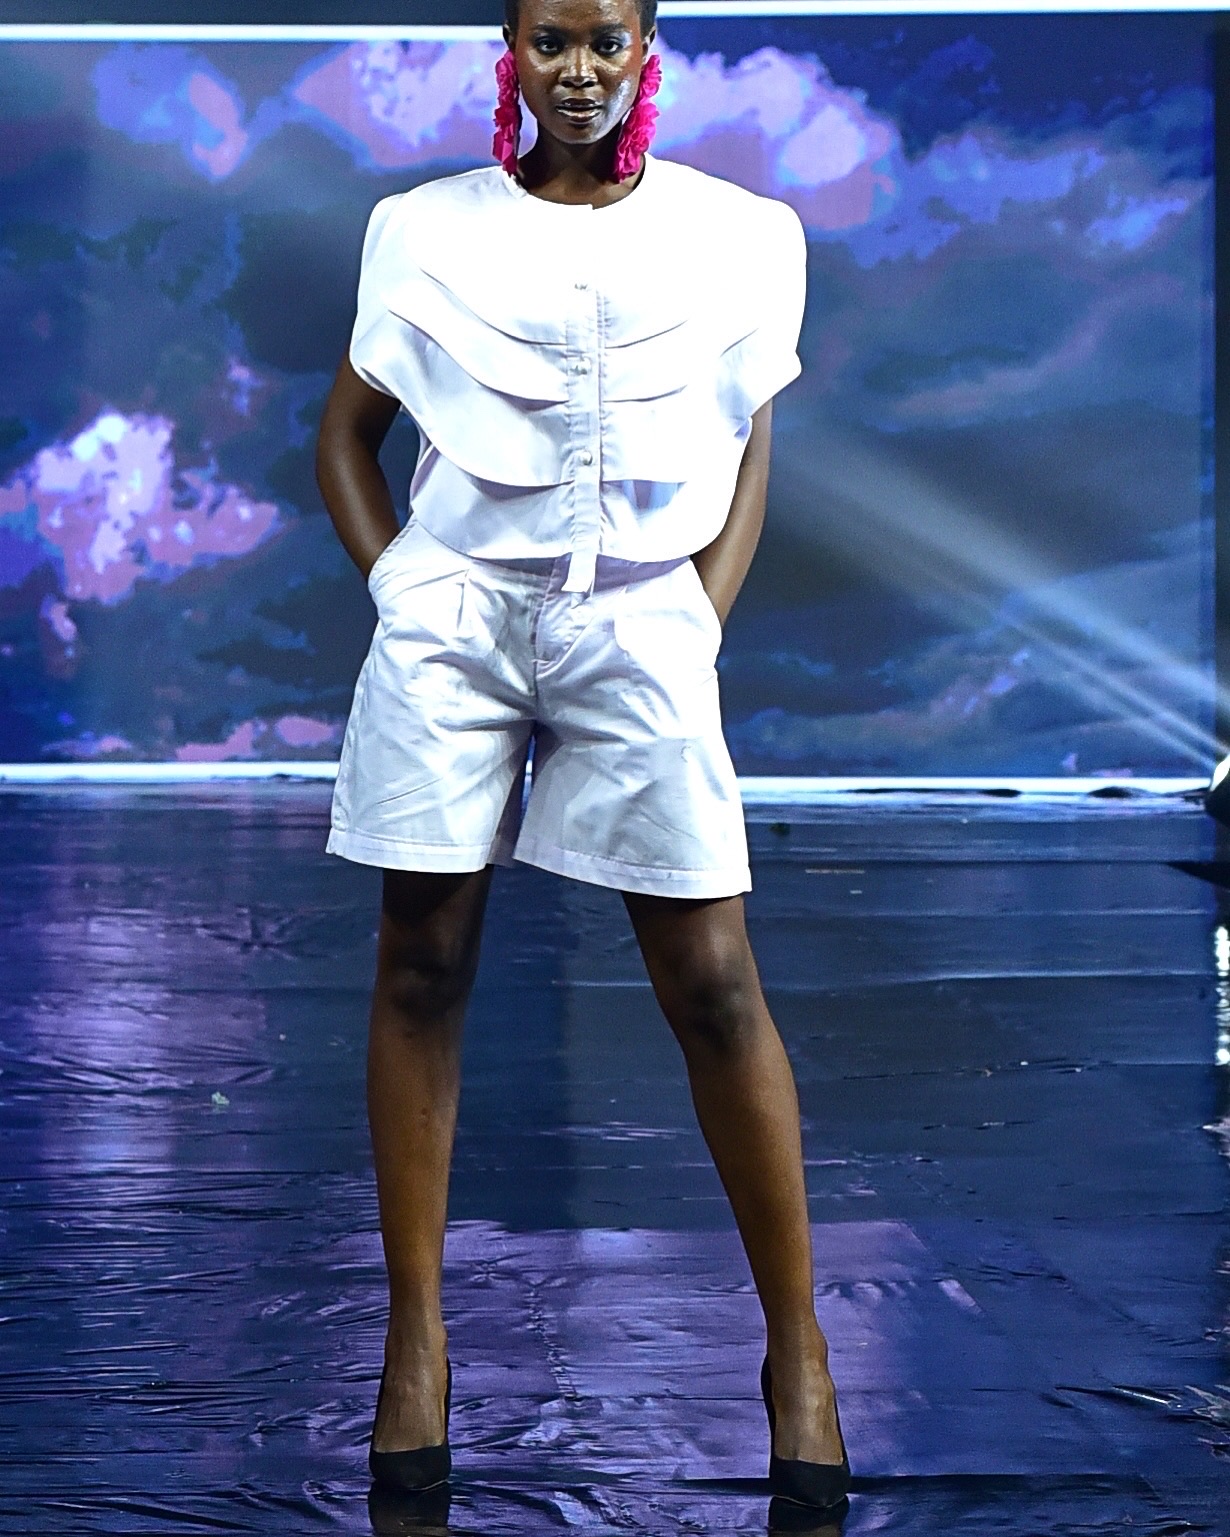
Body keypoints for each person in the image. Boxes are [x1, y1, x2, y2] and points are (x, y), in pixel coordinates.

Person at [315, 0, 850, 1513]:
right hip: (457, 619)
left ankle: (799, 1351)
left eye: (604, 40)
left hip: (640, 622)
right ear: (511, 48)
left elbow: (746, 440)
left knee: (714, 977)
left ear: (644, 47)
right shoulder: (424, 230)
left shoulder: (742, 234)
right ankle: (415, 1344)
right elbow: (344, 436)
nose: (578, 70)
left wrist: (696, 618)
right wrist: (402, 588)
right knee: (421, 958)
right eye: (550, 39)